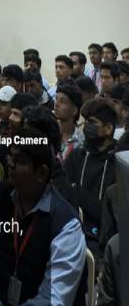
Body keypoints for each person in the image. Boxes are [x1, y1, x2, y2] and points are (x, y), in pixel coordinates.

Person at [0, 127, 87, 306]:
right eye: (11, 156)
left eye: (20, 161)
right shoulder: (0, 194)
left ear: (41, 173)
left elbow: (52, 302)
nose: (10, 164)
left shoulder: (66, 225)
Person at [63, 97, 117, 259]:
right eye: (85, 121)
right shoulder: (76, 156)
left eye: (92, 122)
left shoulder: (118, 164)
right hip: (71, 232)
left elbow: (109, 214)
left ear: (108, 128)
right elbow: (65, 196)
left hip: (101, 243)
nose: (86, 126)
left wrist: (78, 194)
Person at [54, 83, 84, 163]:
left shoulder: (81, 141)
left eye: (62, 101)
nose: (56, 104)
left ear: (74, 111)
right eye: (56, 99)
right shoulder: (48, 133)